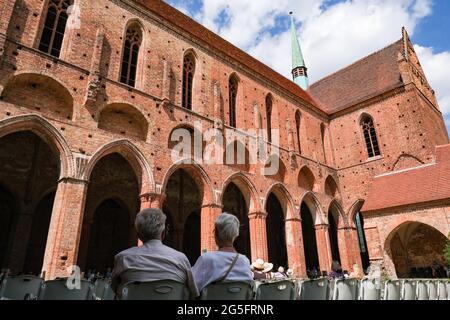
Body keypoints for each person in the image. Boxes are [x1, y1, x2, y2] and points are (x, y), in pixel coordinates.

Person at [111, 208, 198, 299]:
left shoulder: (123, 258)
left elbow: (115, 288)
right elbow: (193, 294)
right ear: (163, 233)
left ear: (138, 235)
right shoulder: (181, 259)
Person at [192, 213, 253, 293]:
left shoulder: (207, 259)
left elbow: (192, 288)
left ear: (216, 233)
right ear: (235, 236)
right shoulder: (245, 261)